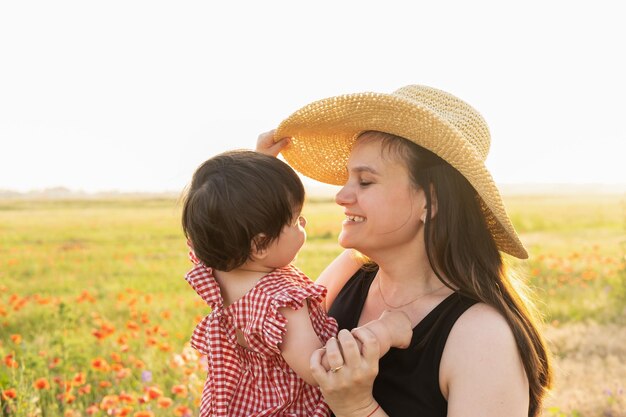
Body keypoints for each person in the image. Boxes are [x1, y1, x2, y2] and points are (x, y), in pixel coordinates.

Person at [257, 84, 553, 417]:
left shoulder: (483, 338)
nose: (341, 196)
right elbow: (259, 310)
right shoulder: (351, 272)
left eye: (365, 181)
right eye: (347, 178)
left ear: (431, 200)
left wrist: (357, 407)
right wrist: (252, 198)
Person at [181, 150, 413, 417]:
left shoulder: (216, 271)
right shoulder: (282, 303)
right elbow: (322, 368)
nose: (303, 223)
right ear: (259, 244)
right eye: (294, 221)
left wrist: (256, 174)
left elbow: (222, 219)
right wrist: (384, 332)